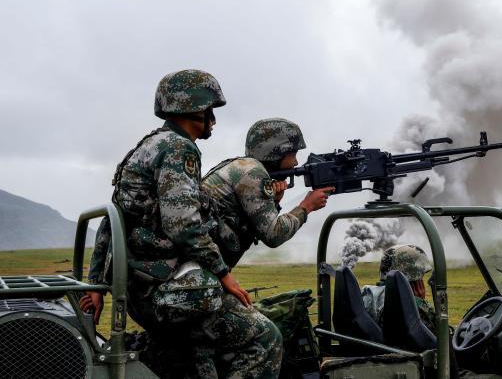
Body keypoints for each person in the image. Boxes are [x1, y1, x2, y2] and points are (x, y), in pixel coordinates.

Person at [80, 69, 282, 378]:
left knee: (200, 355)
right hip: (167, 293)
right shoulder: (179, 149)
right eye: (210, 109)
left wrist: (96, 284)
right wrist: (224, 275)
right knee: (265, 338)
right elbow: (183, 225)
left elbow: (112, 219)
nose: (213, 119)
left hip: (140, 289)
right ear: (195, 109)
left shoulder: (148, 145)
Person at [201, 117, 333, 268]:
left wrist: (275, 201)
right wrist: (306, 206)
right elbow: (273, 235)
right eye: (293, 154)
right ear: (276, 152)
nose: (296, 162)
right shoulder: (252, 172)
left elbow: (256, 227)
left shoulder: (243, 166)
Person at [361, 244, 437, 334]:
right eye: (421, 277)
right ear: (414, 276)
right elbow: (435, 337)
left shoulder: (367, 293)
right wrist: (418, 302)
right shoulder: (408, 306)